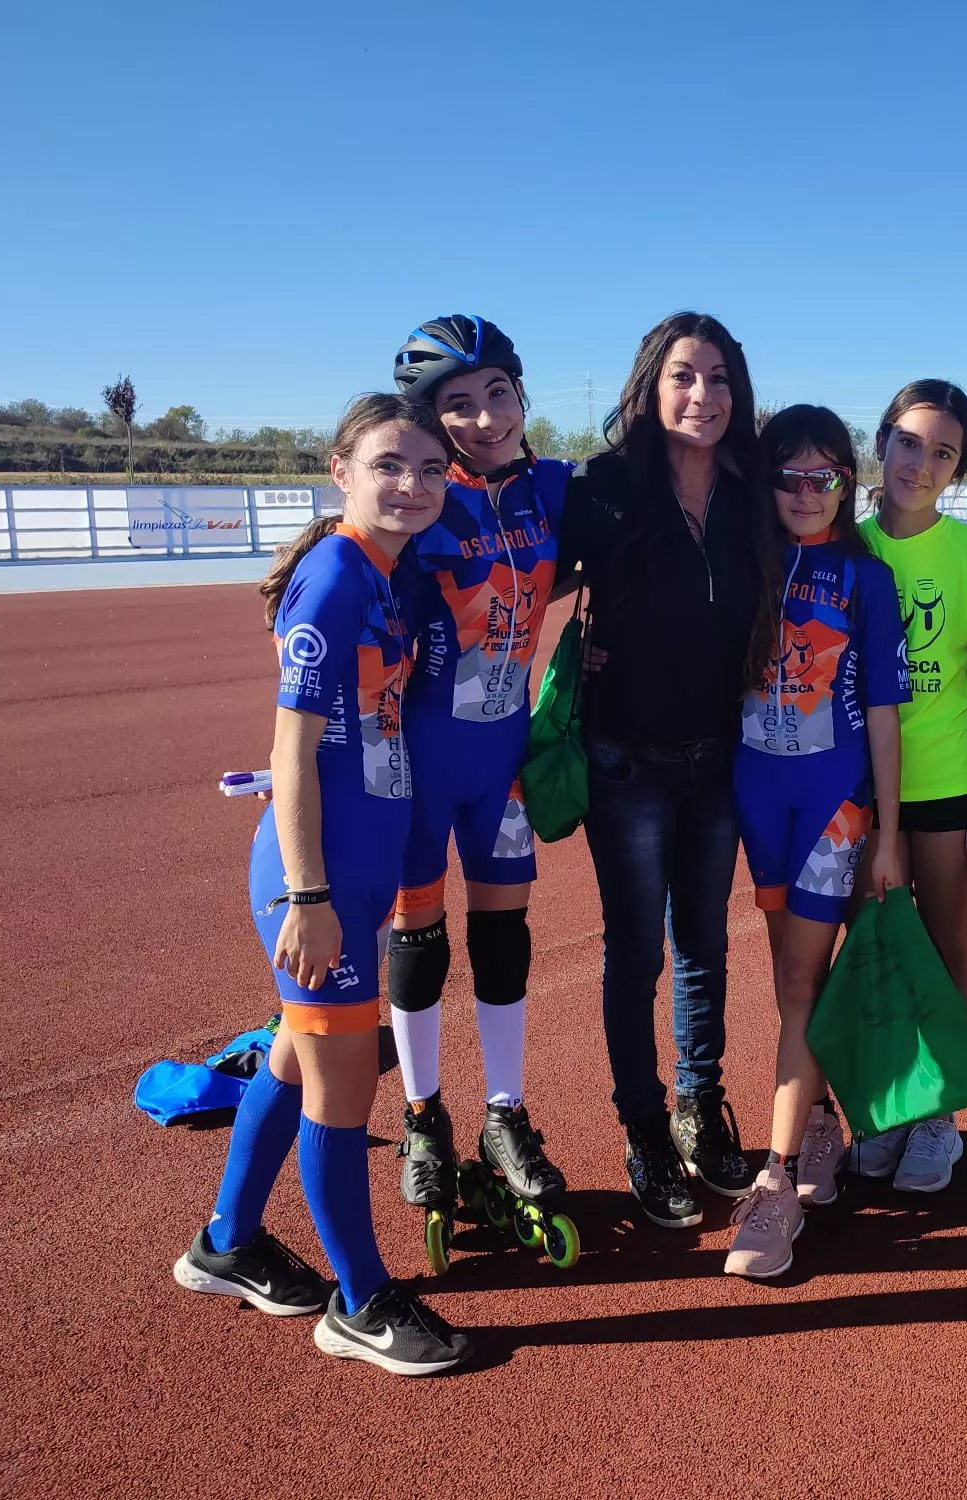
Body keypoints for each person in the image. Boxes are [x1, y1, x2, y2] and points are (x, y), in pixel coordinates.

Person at [171, 394, 472, 1375]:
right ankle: (359, 1303)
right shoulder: (339, 575)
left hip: (358, 872)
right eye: (390, 465)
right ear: (340, 468)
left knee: (297, 1062)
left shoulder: (391, 574)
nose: (413, 486)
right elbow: (289, 754)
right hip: (322, 882)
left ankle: (225, 1244)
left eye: (431, 470)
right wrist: (309, 899)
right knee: (341, 1090)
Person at [559, 312, 777, 1229]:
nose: (704, 396)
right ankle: (644, 1128)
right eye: (685, 376)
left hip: (720, 755)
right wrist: (575, 651)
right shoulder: (605, 489)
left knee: (706, 945)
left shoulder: (753, 489)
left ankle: (699, 1103)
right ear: (651, 386)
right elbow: (518, 575)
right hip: (627, 762)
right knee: (635, 950)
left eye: (720, 377)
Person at [384, 315, 574, 1245]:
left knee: (504, 939)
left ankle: (505, 1112)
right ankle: (423, 1117)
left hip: (499, 766)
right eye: (456, 405)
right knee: (418, 940)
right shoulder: (415, 504)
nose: (483, 416)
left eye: (497, 392)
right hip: (416, 770)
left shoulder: (552, 490)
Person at [722, 405, 910, 1278]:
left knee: (801, 980)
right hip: (757, 804)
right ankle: (823, 1122)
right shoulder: (742, 560)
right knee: (790, 979)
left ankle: (778, 1177)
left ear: (849, 481)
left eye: (823, 477)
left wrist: (890, 834)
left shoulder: (867, 581)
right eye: (789, 477)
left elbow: (881, 713)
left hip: (836, 806)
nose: (806, 493)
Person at [848, 379, 967, 1193]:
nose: (921, 463)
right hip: (853, 787)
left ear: (960, 468)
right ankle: (886, 1103)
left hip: (944, 786)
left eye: (943, 452)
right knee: (866, 953)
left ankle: (939, 1115)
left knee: (941, 952)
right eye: (909, 442)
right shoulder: (847, 546)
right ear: (882, 443)